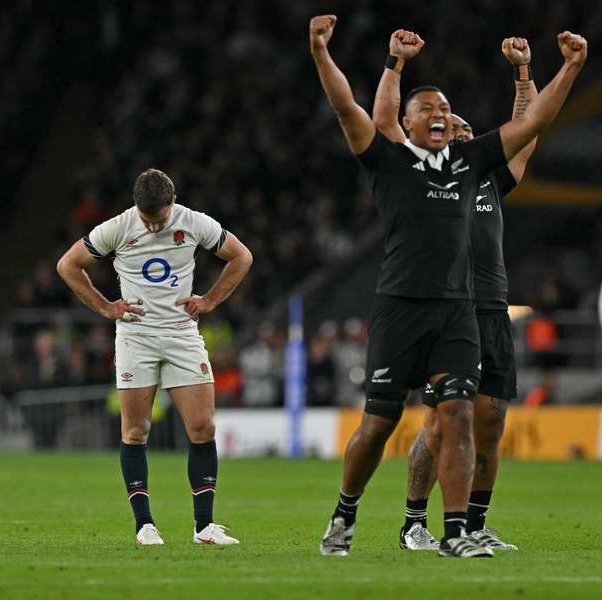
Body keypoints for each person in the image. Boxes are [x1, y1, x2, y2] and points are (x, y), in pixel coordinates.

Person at [309, 14, 586, 558]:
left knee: (459, 413)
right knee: (377, 426)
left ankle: (456, 532)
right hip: (400, 308)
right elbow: (350, 107)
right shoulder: (387, 160)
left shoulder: (472, 161)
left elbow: (534, 124)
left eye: (445, 110)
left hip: (460, 310)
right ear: (405, 124)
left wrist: (571, 67)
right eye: (426, 110)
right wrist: (324, 53)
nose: (439, 116)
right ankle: (345, 511)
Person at [372, 32, 539, 552]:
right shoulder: (426, 175)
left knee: (490, 424)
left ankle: (474, 525)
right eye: (452, 123)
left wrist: (523, 74)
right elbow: (385, 129)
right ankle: (414, 523)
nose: (461, 128)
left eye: (467, 125)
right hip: (447, 308)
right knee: (441, 424)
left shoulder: (490, 180)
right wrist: (396, 66)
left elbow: (529, 130)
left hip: (492, 306)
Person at [56, 168, 253, 545]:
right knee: (135, 431)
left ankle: (204, 527)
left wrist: (210, 300)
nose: (151, 227)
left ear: (173, 202)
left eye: (158, 219)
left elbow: (241, 256)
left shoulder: (193, 223)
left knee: (203, 428)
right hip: (136, 336)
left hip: (181, 334)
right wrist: (104, 307)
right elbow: (68, 265)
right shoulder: (117, 227)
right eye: (146, 220)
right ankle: (144, 525)